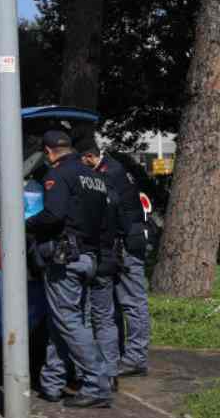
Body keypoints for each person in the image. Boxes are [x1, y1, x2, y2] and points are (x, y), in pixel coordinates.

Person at [25, 130, 113, 409]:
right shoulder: (95, 177)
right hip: (89, 258)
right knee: (62, 322)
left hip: (66, 259)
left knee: (69, 323)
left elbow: (54, 215)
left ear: (49, 152)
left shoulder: (60, 174)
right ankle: (52, 383)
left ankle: (98, 385)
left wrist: (24, 224)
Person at [81, 142, 151, 378]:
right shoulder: (111, 166)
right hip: (123, 243)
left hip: (127, 245)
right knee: (119, 303)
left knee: (133, 302)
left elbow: (107, 211)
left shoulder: (109, 174)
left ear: (89, 156)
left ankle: (136, 358)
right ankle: (125, 353)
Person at [75, 136, 120, 396]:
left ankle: (89, 375)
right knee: (105, 319)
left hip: (89, 257)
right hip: (108, 258)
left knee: (84, 318)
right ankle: (110, 372)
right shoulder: (108, 187)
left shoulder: (82, 190)